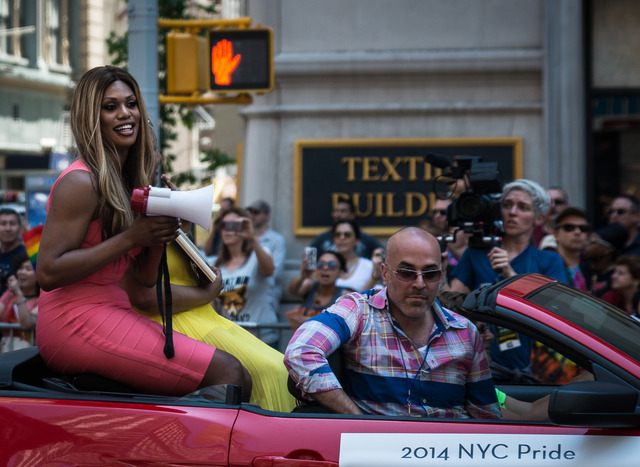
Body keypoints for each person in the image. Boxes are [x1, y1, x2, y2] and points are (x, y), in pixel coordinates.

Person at [35, 65, 251, 398]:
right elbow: (48, 272)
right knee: (230, 372)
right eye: (110, 107)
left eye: (131, 103)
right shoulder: (80, 182)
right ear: (91, 117)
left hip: (112, 309)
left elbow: (145, 279)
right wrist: (132, 237)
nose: (126, 113)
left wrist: (161, 229)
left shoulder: (125, 183)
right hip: (73, 320)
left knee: (239, 372)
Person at [284, 227, 501, 419]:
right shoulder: (359, 311)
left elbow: (487, 419)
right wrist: (358, 421)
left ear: (441, 276)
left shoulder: (465, 331)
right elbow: (301, 351)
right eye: (406, 272)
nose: (419, 283)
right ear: (385, 274)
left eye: (430, 273)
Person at [450, 179, 566, 382]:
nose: (512, 212)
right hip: (482, 369)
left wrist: (510, 275)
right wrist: (438, 271)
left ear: (539, 218)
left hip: (535, 373)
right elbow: (452, 307)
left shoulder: (548, 260)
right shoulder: (476, 254)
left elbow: (556, 312)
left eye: (523, 207)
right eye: (507, 205)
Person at [437, 290, 592, 421]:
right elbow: (522, 423)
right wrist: (581, 390)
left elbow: (527, 409)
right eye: (482, 330)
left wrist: (577, 383)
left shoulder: (476, 382)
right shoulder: (458, 387)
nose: (491, 336)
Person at [214, 206, 279, 348]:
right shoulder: (215, 265)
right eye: (224, 225)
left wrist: (252, 238)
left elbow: (269, 270)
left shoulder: (259, 254)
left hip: (262, 339)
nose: (227, 230)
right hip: (231, 341)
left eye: (233, 225)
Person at [286, 250, 352, 331]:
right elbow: (292, 290)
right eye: (321, 264)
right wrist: (303, 276)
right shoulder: (309, 287)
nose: (325, 268)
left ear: (341, 272)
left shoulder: (345, 296)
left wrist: (309, 320)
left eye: (332, 265)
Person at [246, 200, 287, 311]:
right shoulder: (243, 238)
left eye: (256, 212)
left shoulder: (276, 240)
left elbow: (276, 273)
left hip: (267, 300)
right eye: (250, 212)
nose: (252, 215)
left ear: (267, 215)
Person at [310, 198, 383, 259]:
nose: (338, 214)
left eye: (343, 211)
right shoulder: (321, 239)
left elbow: (382, 255)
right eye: (336, 211)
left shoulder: (366, 240)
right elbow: (310, 260)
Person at [0, 253, 38, 353]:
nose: (22, 272)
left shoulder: (41, 300)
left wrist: (19, 293)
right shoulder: (9, 294)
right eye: (20, 268)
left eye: (28, 269)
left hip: (26, 354)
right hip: (5, 350)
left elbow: (26, 324)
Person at [582, 223, 628, 299]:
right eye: (588, 240)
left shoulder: (615, 277)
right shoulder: (581, 269)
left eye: (593, 242)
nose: (586, 244)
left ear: (608, 249)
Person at [551, 207, 590, 291]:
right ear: (555, 234)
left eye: (583, 228)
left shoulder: (592, 267)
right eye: (569, 227)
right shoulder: (548, 267)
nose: (577, 232)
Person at [331, 220, 375, 292]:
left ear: (357, 240)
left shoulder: (369, 266)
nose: (342, 238)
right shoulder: (323, 266)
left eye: (347, 235)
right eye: (337, 235)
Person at [0, 207, 27, 296]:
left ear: (20, 227)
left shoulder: (27, 256)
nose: (8, 228)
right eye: (3, 224)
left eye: (12, 224)